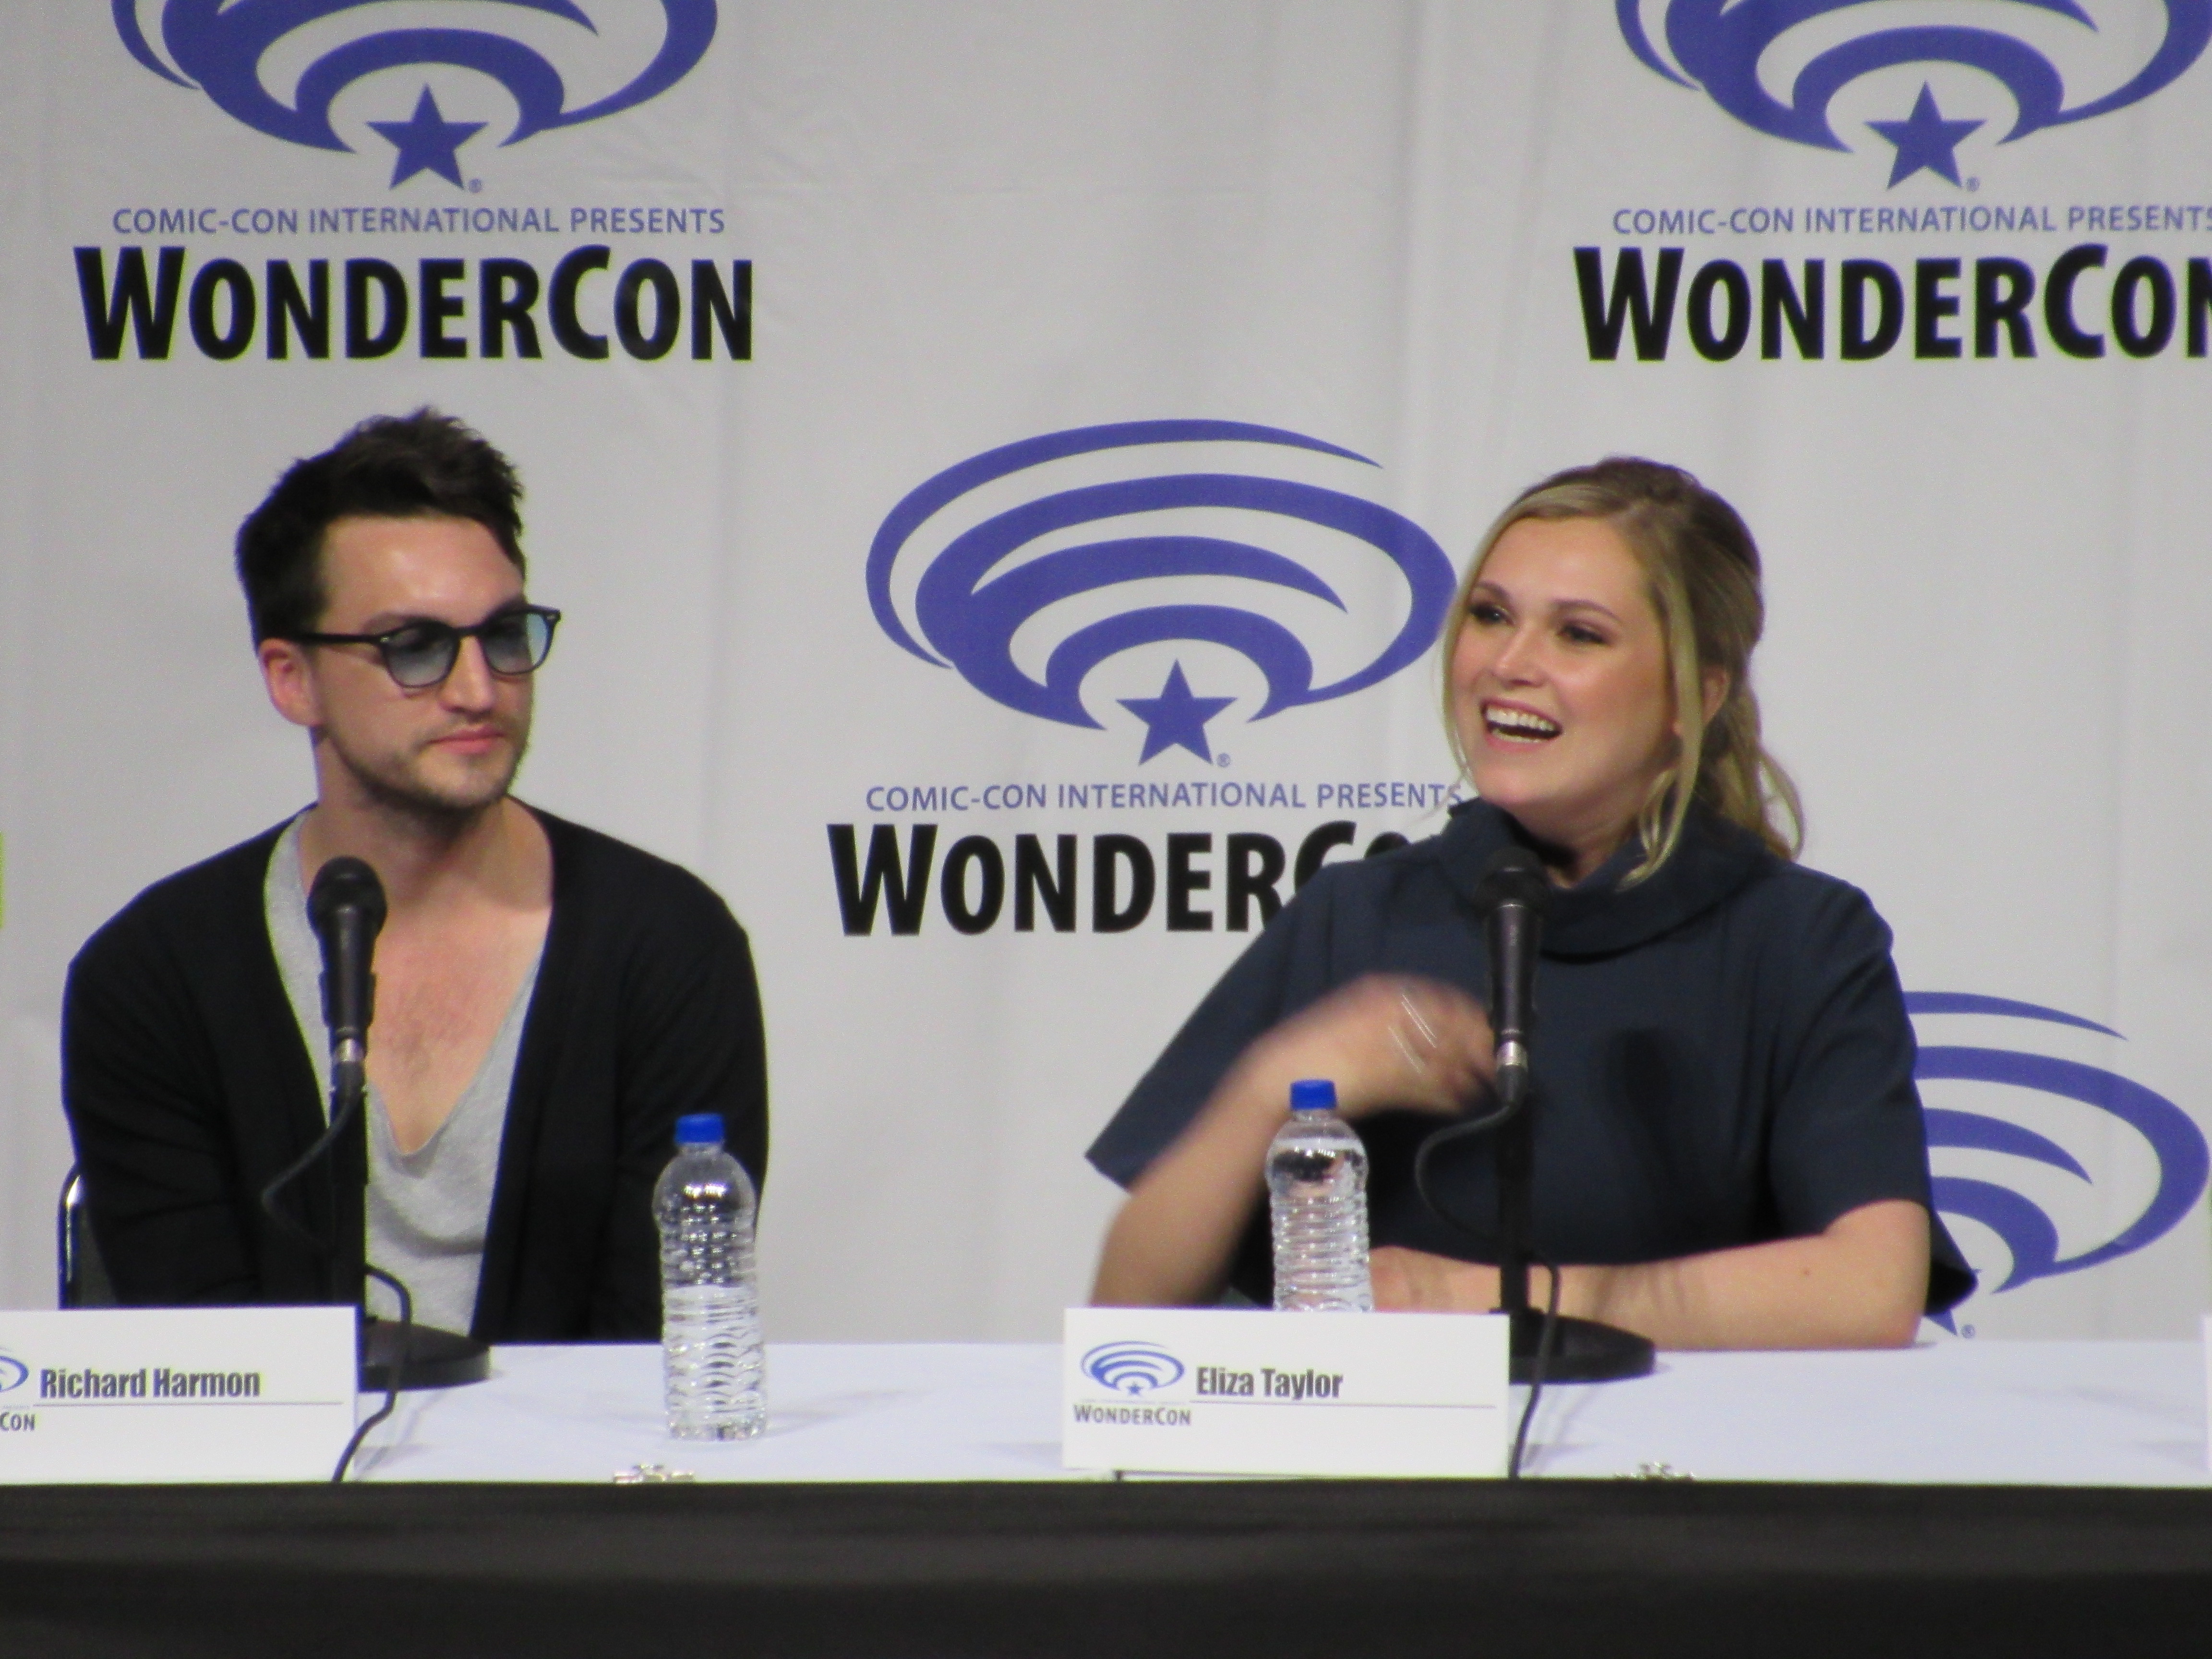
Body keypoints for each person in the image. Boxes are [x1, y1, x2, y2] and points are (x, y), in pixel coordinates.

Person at [1088, 457, 1971, 1347]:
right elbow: (1129, 1315)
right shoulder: (1357, 914)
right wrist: (1265, 1091)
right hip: (1397, 1442)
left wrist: (1472, 1300)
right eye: (1491, 616)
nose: (1509, 665)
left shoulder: (1802, 939)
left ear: (1695, 696)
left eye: (1579, 635)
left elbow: (1870, 1291)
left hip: (1685, 1437)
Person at [62, 409, 767, 1342]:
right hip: (285, 1448)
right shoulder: (154, 978)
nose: (479, 688)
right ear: (292, 678)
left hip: (581, 1445)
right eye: (415, 646)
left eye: (504, 635)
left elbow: (652, 1350)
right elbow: (206, 1370)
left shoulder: (669, 947)